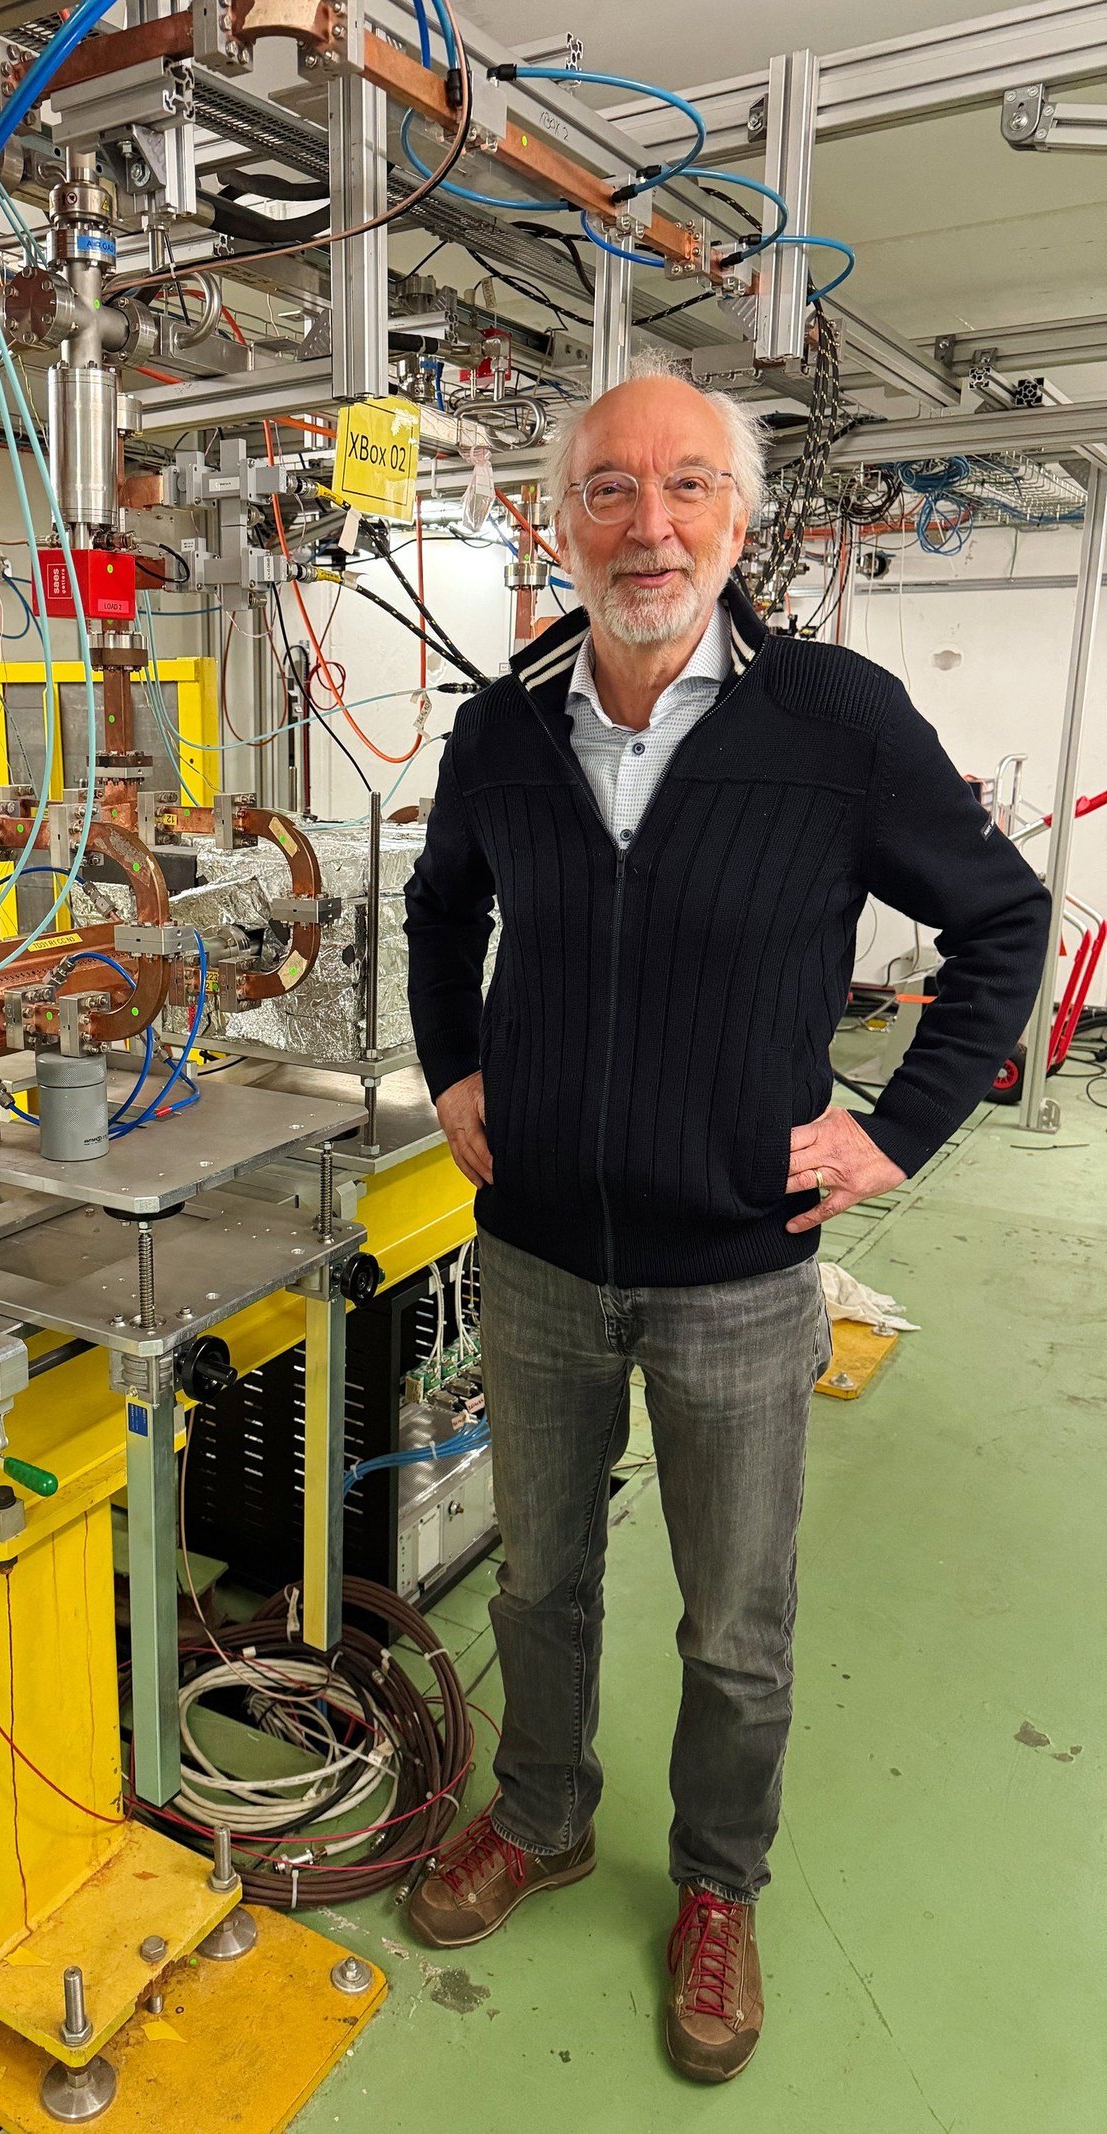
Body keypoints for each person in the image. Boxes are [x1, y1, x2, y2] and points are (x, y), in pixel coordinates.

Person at [402, 356, 1050, 2084]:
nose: (649, 520)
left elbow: (1003, 924)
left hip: (737, 1278)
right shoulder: (503, 728)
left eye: (685, 483)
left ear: (741, 518)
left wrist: (894, 1132)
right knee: (538, 1581)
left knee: (733, 1620)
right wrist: (455, 1063)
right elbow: (436, 903)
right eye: (610, 488)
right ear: (559, 523)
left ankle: (715, 1880)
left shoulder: (832, 721)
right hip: (533, 1254)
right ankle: (536, 1817)